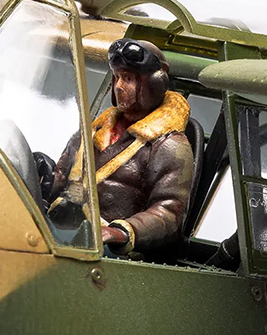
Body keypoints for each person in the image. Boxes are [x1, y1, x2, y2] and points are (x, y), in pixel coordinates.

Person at [44, 38, 194, 255]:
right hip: (62, 227)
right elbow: (63, 173)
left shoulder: (168, 145)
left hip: (111, 251)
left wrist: (122, 232)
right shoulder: (96, 128)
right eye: (117, 77)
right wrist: (44, 176)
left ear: (152, 84)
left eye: (128, 78)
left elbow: (169, 212)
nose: (119, 87)